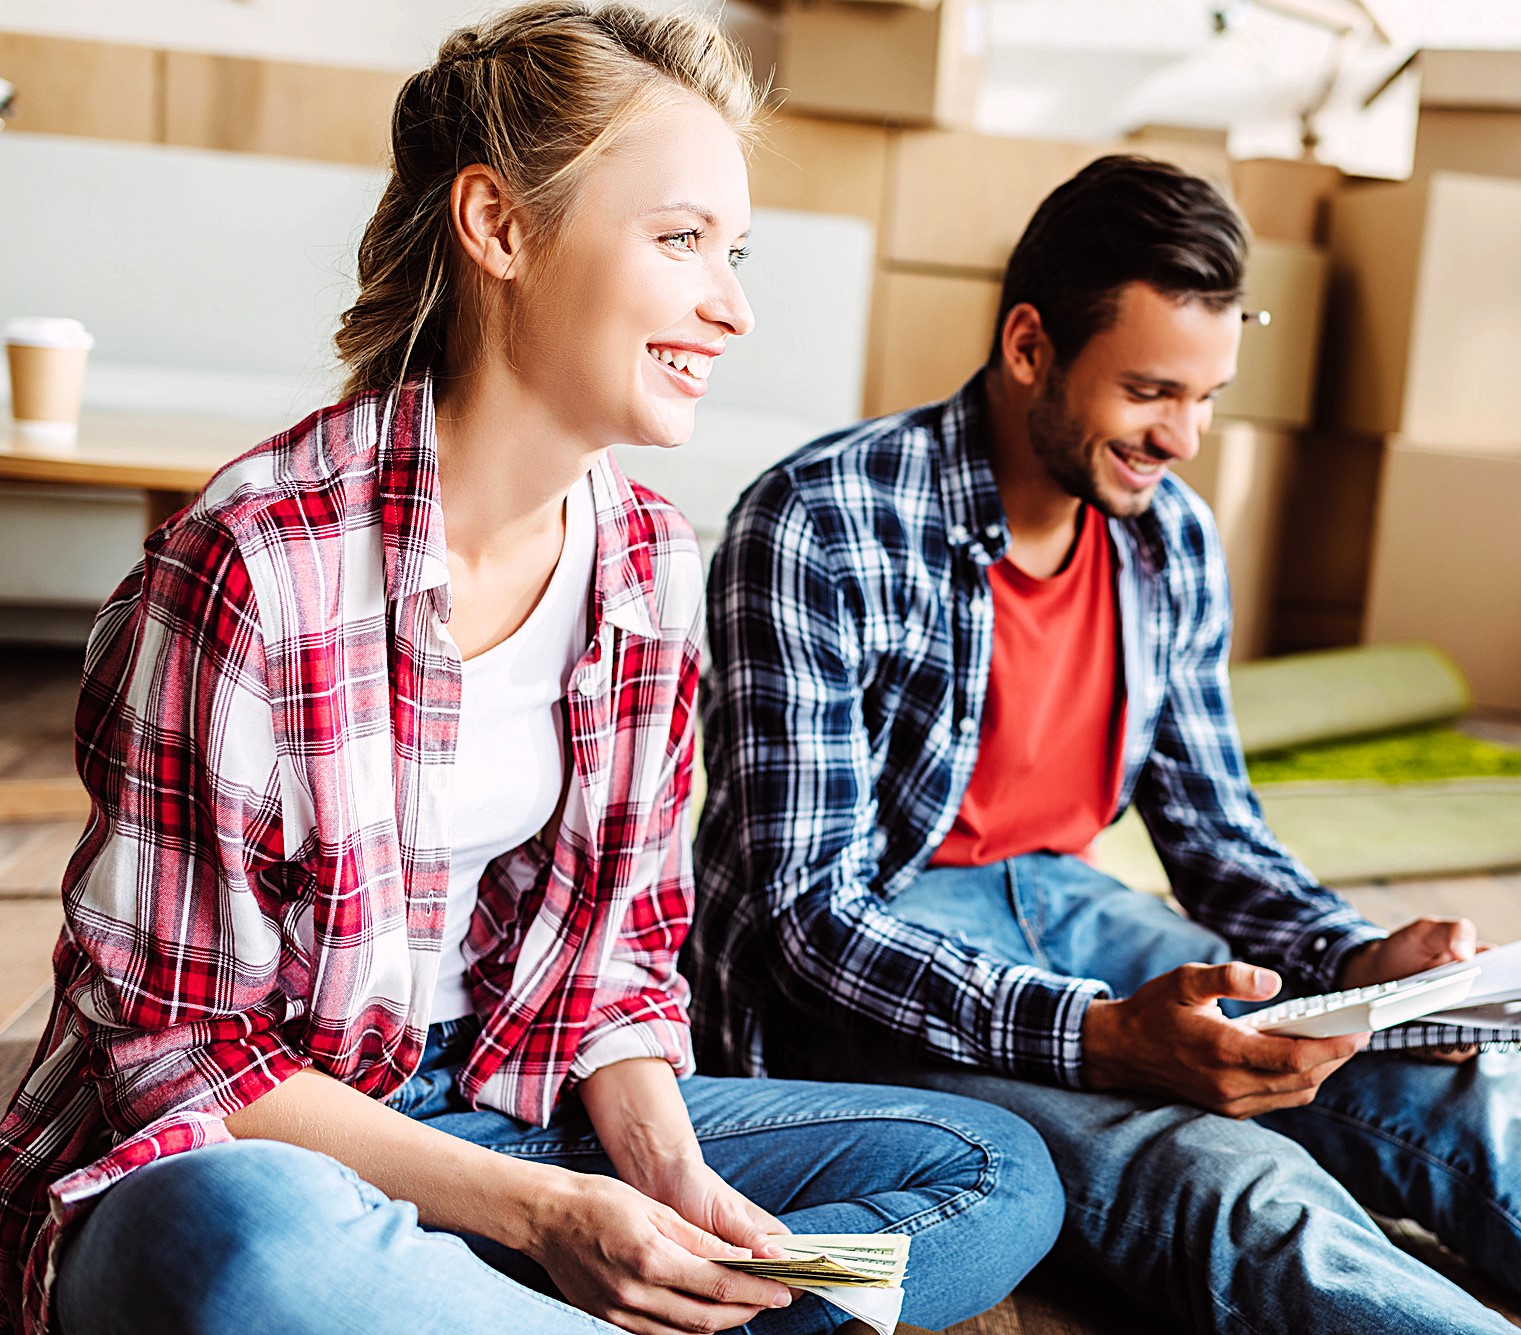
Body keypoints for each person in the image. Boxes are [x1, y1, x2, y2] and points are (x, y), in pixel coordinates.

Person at [691, 153, 1521, 1335]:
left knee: (1484, 1110)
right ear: (1029, 345)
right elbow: (808, 921)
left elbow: (1212, 835)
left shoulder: (1168, 536)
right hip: (877, 974)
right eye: (1148, 391)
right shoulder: (821, 524)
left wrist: (1360, 963)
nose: (1182, 439)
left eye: (1205, 396)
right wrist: (1101, 1037)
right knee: (1240, 1189)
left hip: (1074, 909)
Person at [0, 7, 1065, 1334]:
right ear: (499, 227)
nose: (730, 306)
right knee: (246, 1253)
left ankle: (464, 1306)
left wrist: (665, 1180)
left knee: (991, 1172)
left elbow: (615, 963)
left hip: (497, 1113)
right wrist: (544, 1216)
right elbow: (179, 1060)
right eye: (682, 240)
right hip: (258, 1153)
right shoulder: (253, 565)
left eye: (731, 252)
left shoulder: (648, 564)